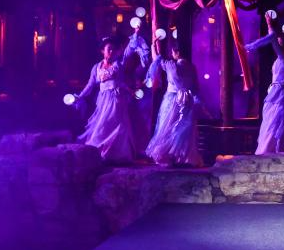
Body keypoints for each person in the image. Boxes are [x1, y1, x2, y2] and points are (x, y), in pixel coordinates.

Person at [75, 34, 144, 162]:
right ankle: (100, 153)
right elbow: (90, 85)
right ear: (103, 51)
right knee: (102, 125)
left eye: (113, 49)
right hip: (102, 99)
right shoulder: (96, 67)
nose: (111, 51)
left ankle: (117, 155)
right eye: (109, 49)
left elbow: (127, 55)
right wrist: (80, 96)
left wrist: (135, 35)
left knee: (116, 125)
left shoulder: (118, 64)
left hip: (116, 99)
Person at [144, 36, 204, 167]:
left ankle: (168, 155)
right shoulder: (192, 67)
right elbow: (195, 87)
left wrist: (154, 45)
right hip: (187, 100)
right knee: (184, 129)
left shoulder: (172, 66)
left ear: (176, 52)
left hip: (172, 100)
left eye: (172, 51)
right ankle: (183, 157)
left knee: (168, 126)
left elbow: (157, 60)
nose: (172, 54)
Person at [246, 12, 284, 154]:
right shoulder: (281, 58)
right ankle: (272, 149)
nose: (278, 41)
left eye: (281, 40)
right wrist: (269, 25)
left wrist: (252, 45)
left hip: (281, 94)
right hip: (277, 93)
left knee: (276, 121)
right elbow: (273, 38)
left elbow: (273, 39)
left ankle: (273, 149)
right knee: (272, 120)